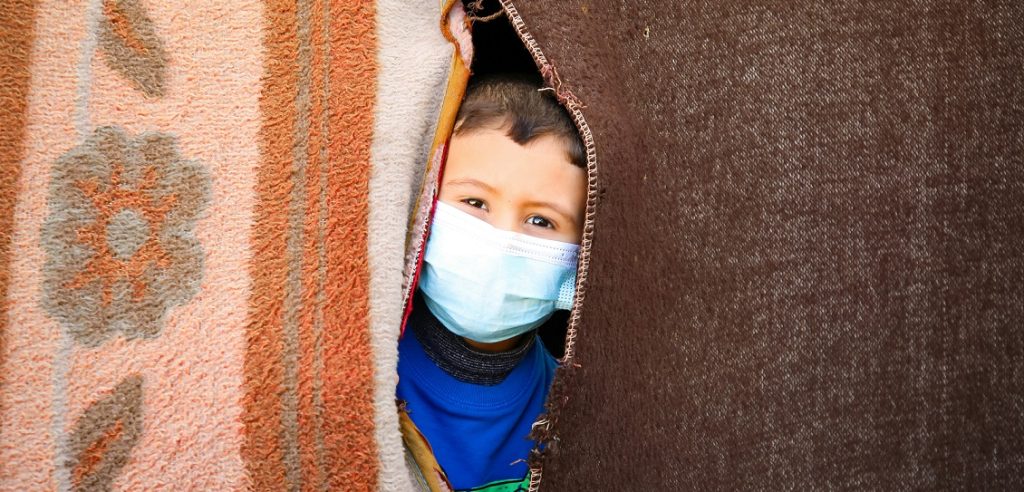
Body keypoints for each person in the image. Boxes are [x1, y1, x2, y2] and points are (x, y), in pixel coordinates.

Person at [396, 74, 587, 491]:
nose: (500, 242)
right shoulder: (360, 364)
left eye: (541, 221)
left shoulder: (571, 411)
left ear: (581, 254)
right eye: (475, 202)